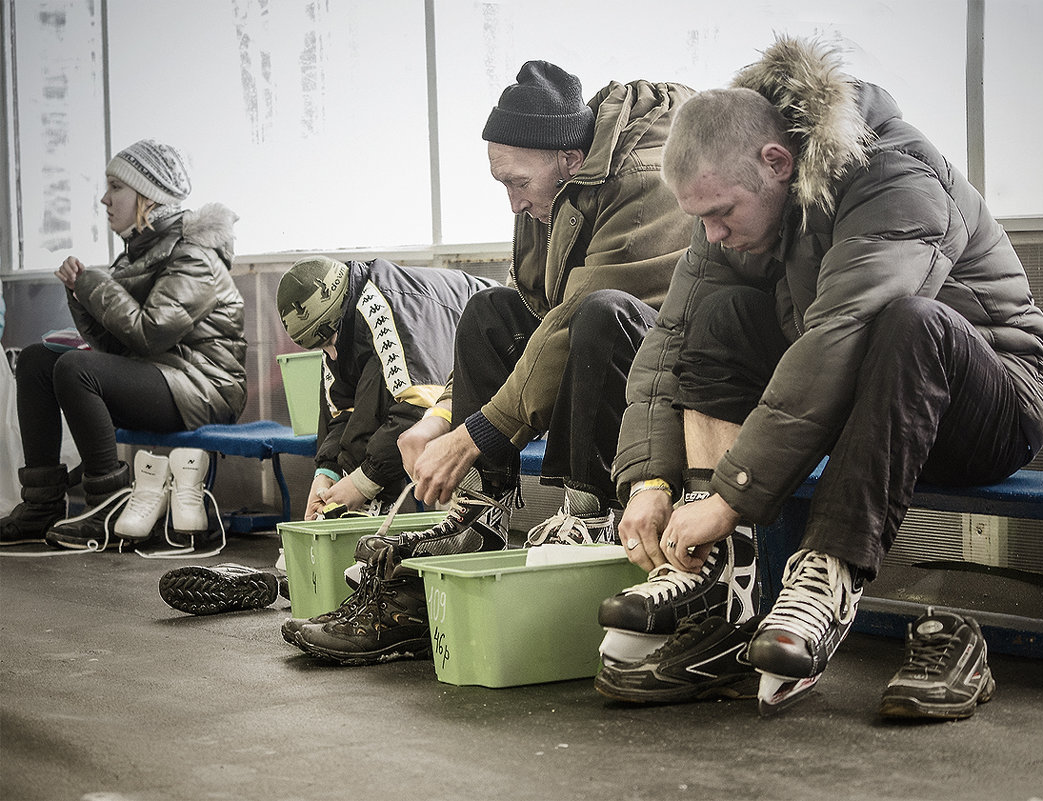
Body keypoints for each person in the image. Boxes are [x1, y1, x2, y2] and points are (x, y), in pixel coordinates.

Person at [594, 36, 1043, 719]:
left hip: (989, 402)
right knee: (716, 313)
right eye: (702, 217)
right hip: (867, 402)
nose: (713, 232)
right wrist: (650, 478)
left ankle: (827, 574)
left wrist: (730, 493)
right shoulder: (731, 198)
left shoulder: (896, 172)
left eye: (720, 213)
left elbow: (844, 332)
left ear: (776, 162)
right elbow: (673, 338)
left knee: (908, 321)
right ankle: (724, 584)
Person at [283, 60, 695, 665]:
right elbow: (529, 318)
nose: (511, 199)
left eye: (517, 182)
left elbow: (571, 323)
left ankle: (591, 512)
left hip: (655, 368)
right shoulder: (543, 201)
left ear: (569, 159)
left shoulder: (643, 182)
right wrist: (441, 416)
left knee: (597, 314)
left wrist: (475, 434)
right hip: (583, 349)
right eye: (501, 182)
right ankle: (481, 513)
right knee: (488, 312)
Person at [0, 139, 246, 549]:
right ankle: (41, 505)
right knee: (36, 360)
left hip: (203, 386)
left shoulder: (195, 254)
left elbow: (150, 332)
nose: (104, 198)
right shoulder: (136, 254)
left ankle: (107, 506)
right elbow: (111, 347)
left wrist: (92, 284)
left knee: (75, 369)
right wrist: (78, 295)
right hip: (162, 375)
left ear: (147, 195)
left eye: (115, 187)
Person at [277, 255, 497, 520]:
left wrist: (363, 482)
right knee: (359, 376)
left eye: (330, 341)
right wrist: (326, 473)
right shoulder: (341, 320)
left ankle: (367, 502)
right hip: (456, 377)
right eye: (321, 348)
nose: (331, 355)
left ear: (339, 313)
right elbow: (340, 407)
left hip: (502, 355)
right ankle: (352, 501)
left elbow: (417, 405)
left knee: (378, 377)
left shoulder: (383, 309)